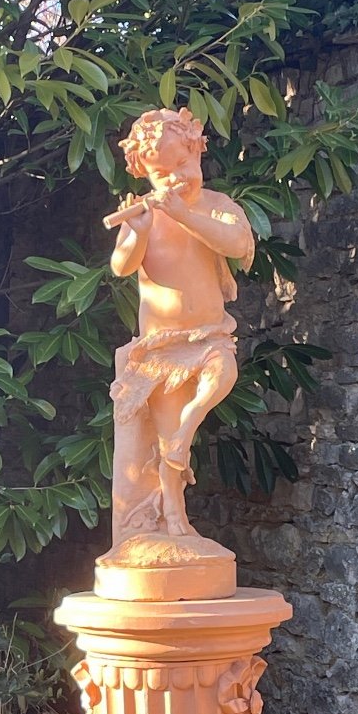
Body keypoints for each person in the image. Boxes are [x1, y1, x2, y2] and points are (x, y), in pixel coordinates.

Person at [107, 108, 254, 540]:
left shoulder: (216, 208)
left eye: (182, 166)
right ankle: (173, 515)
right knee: (167, 435)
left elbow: (237, 243)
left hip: (209, 335)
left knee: (223, 373)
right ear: (144, 176)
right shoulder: (145, 217)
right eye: (161, 173)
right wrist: (136, 232)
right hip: (162, 346)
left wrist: (185, 214)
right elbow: (121, 266)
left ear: (198, 153)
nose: (174, 179)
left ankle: (189, 424)